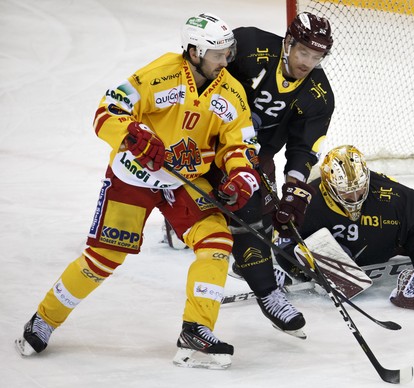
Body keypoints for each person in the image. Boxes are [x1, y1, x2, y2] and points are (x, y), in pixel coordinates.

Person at [15, 13, 260, 370]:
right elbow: (107, 110)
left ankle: (196, 334)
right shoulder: (160, 74)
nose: (227, 61)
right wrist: (133, 135)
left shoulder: (230, 90)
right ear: (194, 52)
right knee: (103, 259)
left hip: (182, 183)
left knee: (217, 244)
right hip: (134, 179)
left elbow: (240, 144)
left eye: (228, 52)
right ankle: (44, 319)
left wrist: (240, 175)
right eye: (218, 54)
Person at [164, 12, 335, 337]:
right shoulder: (251, 47)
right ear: (288, 43)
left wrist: (294, 191)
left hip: (254, 155)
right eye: (303, 53)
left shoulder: (319, 95)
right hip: (203, 137)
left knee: (256, 215)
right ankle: (180, 222)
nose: (307, 63)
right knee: (182, 188)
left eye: (316, 57)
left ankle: (268, 293)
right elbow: (199, 77)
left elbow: (304, 148)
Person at [275, 145, 414, 311]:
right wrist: (302, 269)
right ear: (328, 186)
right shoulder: (308, 201)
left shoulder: (392, 195)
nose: (354, 198)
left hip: (388, 244)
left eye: (360, 189)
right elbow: (282, 239)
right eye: (346, 192)